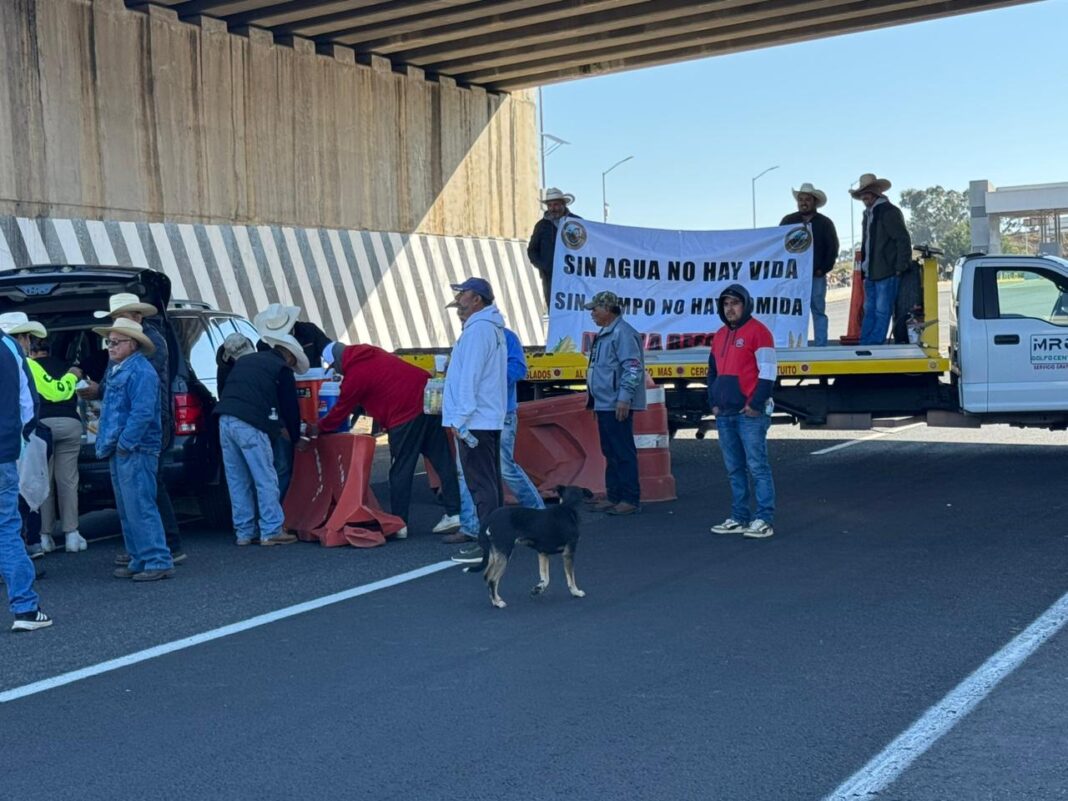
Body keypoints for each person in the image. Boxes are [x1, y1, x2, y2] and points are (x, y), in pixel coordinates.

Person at [308, 342, 463, 539]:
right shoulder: (373, 353)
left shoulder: (355, 374)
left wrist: (320, 428)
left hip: (404, 414)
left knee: (400, 468)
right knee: (442, 460)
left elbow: (341, 410)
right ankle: (455, 513)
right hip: (427, 400)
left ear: (338, 362)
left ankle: (399, 523)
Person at [83, 293, 185, 564]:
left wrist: (125, 442)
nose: (110, 347)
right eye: (109, 342)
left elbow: (141, 411)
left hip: (136, 444)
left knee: (141, 502)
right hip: (125, 444)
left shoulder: (140, 367)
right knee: (131, 506)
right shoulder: (124, 366)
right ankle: (142, 556)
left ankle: (157, 556)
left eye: (115, 342)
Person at [448, 323, 546, 555]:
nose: (461, 315)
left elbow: (518, 369)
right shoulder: (470, 338)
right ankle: (471, 526)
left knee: (503, 468)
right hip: (475, 416)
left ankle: (537, 513)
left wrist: (487, 380)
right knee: (466, 470)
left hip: (498, 414)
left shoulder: (505, 337)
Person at [0, 313, 87, 556]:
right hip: (28, 437)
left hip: (13, 439)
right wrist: (72, 375)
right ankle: (67, 534)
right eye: (28, 338)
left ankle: (44, 536)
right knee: (56, 482)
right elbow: (52, 393)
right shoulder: (24, 363)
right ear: (22, 338)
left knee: (41, 482)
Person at [213, 330, 306, 547]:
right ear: (290, 357)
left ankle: (244, 532)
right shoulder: (281, 368)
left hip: (224, 419)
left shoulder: (247, 361)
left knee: (237, 480)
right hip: (250, 423)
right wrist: (294, 437)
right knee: (265, 477)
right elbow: (290, 407)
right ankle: (271, 529)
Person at [441, 278, 507, 564]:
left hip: (475, 420)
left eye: (463, 294)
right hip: (483, 418)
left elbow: (470, 378)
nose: (458, 301)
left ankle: (488, 545)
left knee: (481, 485)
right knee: (489, 483)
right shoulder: (487, 328)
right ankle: (497, 541)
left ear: (477, 299)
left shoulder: (479, 331)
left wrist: (459, 417)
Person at [707, 285, 777, 539]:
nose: (730, 308)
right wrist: (712, 401)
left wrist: (756, 405)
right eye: (726, 304)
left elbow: (768, 373)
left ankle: (764, 518)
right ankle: (739, 516)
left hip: (750, 414)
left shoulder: (759, 332)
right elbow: (712, 371)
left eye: (735, 303)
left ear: (745, 304)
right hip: (725, 413)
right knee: (734, 468)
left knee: (757, 466)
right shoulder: (719, 334)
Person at [0, 325, 52, 630]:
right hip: (3, 451)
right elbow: (28, 404)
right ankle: (25, 609)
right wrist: (19, 439)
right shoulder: (8, 346)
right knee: (6, 528)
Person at [252, 304, 330, 500]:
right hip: (282, 401)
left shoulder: (309, 331)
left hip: (313, 395)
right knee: (283, 461)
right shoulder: (264, 345)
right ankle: (283, 507)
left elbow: (329, 350)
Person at [584, 291, 647, 517]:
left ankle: (630, 498)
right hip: (604, 403)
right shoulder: (606, 333)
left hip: (615, 403)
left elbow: (632, 367)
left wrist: (624, 398)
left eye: (595, 309)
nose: (592, 313)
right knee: (609, 450)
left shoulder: (622, 333)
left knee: (622, 450)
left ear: (608, 309)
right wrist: (594, 400)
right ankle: (614, 495)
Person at [850, 173, 913, 346]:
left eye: (867, 192)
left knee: (881, 310)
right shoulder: (870, 213)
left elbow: (902, 239)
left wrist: (900, 266)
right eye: (863, 193)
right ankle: (867, 341)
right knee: (870, 309)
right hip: (871, 271)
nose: (864, 196)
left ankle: (874, 342)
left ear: (876, 191)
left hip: (886, 271)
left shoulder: (888, 212)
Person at [780, 182, 839, 347]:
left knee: (818, 311)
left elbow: (833, 248)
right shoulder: (788, 221)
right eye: (800, 199)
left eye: (807, 199)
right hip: (793, 277)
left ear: (814, 202)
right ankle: (793, 344)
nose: (803, 202)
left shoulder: (825, 223)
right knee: (792, 312)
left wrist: (823, 269)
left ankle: (821, 345)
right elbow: (777, 244)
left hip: (816, 276)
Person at [527, 187, 580, 309]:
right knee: (555, 308)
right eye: (550, 205)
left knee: (575, 308)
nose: (553, 208)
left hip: (574, 277)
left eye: (556, 204)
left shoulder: (576, 222)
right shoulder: (541, 226)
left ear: (563, 204)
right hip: (550, 278)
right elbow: (532, 250)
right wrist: (544, 266)